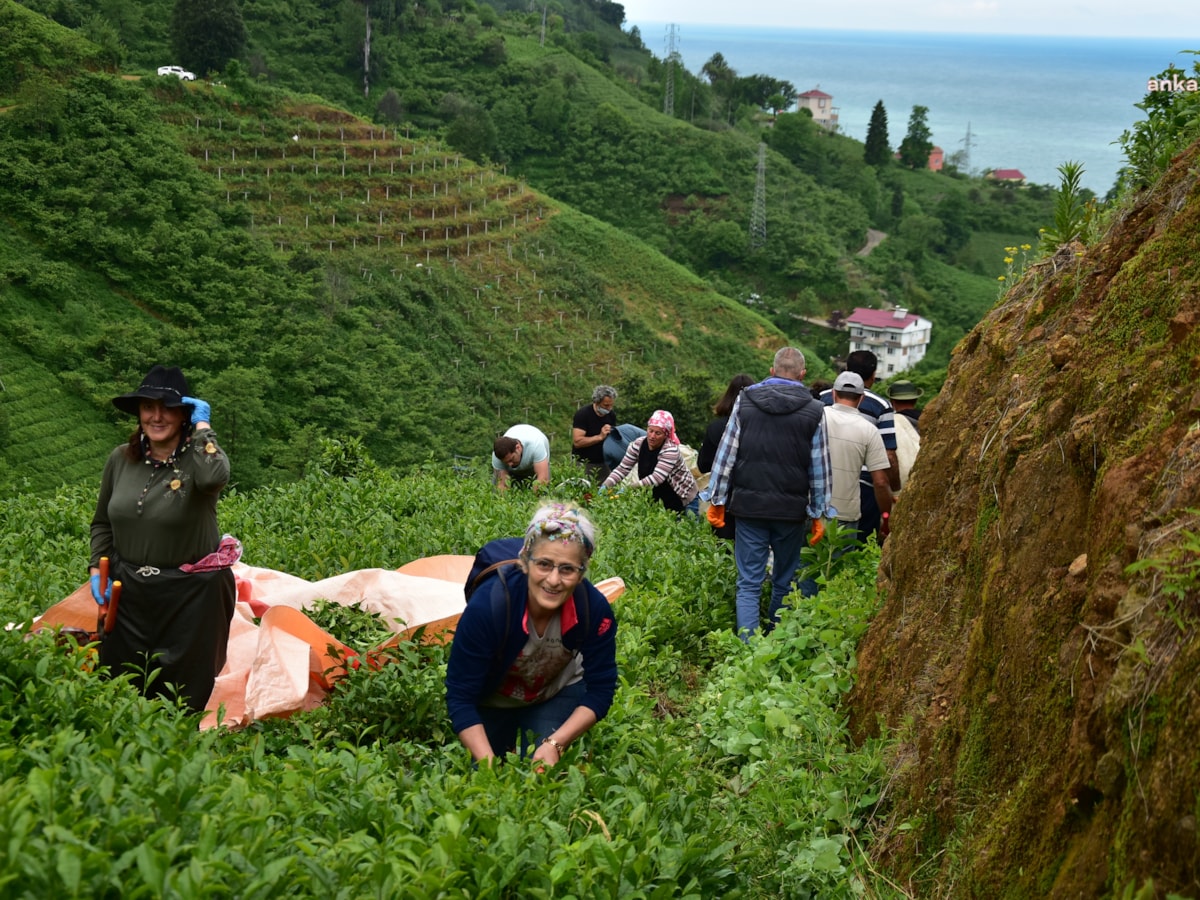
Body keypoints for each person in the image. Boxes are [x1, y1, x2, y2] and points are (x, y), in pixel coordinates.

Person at [89, 365, 237, 712]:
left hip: (192, 596)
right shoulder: (121, 459)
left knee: (184, 699)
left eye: (167, 408)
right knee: (120, 687)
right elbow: (102, 523)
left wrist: (203, 429)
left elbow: (216, 476)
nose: (156, 416)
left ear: (184, 414)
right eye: (147, 407)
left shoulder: (198, 460)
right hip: (129, 592)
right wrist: (98, 569)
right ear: (138, 413)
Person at [445, 503, 618, 768]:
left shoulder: (593, 610)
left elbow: (601, 687)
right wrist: (490, 767)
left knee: (541, 777)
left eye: (567, 569)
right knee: (485, 773)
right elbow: (460, 695)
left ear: (582, 571)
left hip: (556, 691)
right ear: (525, 561)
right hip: (492, 696)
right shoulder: (489, 607)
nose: (553, 580)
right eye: (544, 564)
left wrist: (555, 743)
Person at [706, 348, 835, 641]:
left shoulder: (745, 401)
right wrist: (819, 512)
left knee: (748, 583)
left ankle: (748, 646)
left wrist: (717, 500)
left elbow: (727, 455)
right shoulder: (816, 410)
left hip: (749, 507)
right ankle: (775, 640)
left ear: (772, 369)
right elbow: (820, 466)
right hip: (791, 512)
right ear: (802, 375)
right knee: (784, 579)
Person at [800, 372, 893, 597]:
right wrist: (887, 517)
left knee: (804, 572)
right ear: (861, 398)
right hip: (846, 515)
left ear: (833, 394)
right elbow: (880, 481)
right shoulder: (869, 430)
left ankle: (799, 620)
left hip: (810, 508)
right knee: (836, 576)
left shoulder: (815, 418)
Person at [819, 350, 900, 545]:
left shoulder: (821, 398)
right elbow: (888, 457)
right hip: (863, 489)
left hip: (819, 484)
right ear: (873, 376)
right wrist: (895, 491)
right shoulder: (882, 406)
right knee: (857, 547)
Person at [601, 410, 700, 515]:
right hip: (660, 497)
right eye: (650, 430)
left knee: (687, 527)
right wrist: (606, 485)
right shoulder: (638, 444)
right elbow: (623, 469)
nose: (652, 436)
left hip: (683, 496)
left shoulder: (670, 450)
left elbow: (656, 478)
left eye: (658, 433)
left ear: (665, 435)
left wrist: (629, 489)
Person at [698, 374, 754, 540]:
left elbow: (703, 465)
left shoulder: (716, 428)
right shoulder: (759, 427)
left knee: (722, 551)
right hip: (752, 499)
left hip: (723, 502)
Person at [571, 386, 617, 480]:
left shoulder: (611, 415)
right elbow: (577, 442)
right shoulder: (583, 415)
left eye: (611, 405)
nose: (609, 408)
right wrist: (599, 437)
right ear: (597, 402)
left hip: (604, 463)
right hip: (583, 463)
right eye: (606, 405)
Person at [491, 424, 550, 492]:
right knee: (496, 490)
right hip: (515, 467)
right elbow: (502, 485)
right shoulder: (497, 457)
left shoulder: (536, 446)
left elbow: (543, 478)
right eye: (506, 462)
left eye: (511, 459)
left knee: (543, 490)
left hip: (534, 463)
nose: (510, 464)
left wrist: (533, 500)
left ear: (518, 448)